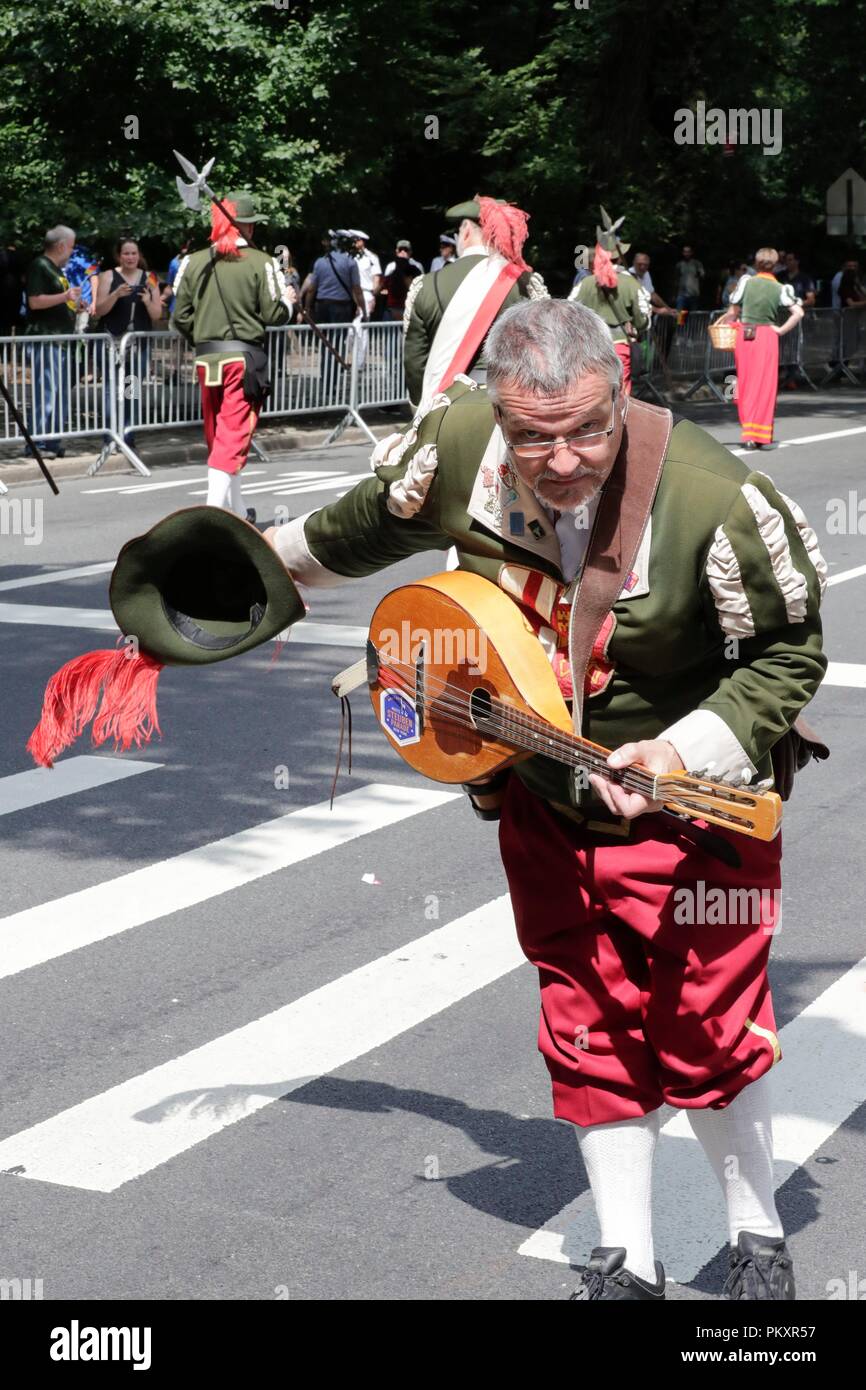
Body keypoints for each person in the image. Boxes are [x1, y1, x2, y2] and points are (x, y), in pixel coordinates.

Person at [29, 299, 829, 1302]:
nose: (565, 456)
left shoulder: (714, 499)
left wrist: (677, 749)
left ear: (621, 395)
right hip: (543, 789)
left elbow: (788, 651)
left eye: (586, 427)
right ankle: (627, 1257)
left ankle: (755, 1235)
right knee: (582, 1015)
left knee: (707, 1025)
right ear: (498, 416)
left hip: (700, 800)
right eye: (534, 436)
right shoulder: (458, 443)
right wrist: (230, 580)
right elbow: (364, 525)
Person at [171, 192, 296, 517]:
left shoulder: (193, 261)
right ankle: (213, 516)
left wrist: (203, 337)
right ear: (247, 228)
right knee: (232, 435)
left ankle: (238, 510)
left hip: (206, 359)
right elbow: (274, 314)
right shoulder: (262, 262)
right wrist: (290, 303)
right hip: (244, 362)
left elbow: (179, 317)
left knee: (220, 435)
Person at [403, 196, 548, 408]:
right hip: (511, 409)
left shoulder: (425, 285)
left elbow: (415, 361)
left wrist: (421, 409)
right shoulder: (526, 283)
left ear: (466, 231)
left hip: (445, 409)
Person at [716, 247, 804, 448]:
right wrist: (780, 330)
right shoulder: (781, 288)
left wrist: (724, 325)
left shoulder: (746, 283)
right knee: (765, 385)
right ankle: (760, 434)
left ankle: (747, 432)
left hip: (745, 334)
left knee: (746, 383)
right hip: (766, 336)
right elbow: (798, 313)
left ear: (756, 263)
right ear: (775, 265)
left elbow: (733, 311)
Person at [93, 237, 162, 448]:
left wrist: (148, 301)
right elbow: (99, 311)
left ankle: (128, 435)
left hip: (137, 344)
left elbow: (157, 314)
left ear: (139, 255)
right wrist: (115, 294)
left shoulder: (149, 278)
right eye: (126, 253)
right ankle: (110, 437)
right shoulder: (107, 276)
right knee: (110, 388)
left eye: (134, 253)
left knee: (131, 388)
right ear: (119, 255)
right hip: (110, 342)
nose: (130, 257)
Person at [572, 208, 647, 394]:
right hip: (619, 344)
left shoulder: (585, 284)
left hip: (591, 348)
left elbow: (569, 311)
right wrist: (636, 328)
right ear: (620, 255)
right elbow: (643, 318)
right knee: (620, 397)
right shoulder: (632, 283)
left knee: (594, 395)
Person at [23, 224, 80, 458]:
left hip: (60, 341)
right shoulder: (40, 266)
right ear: (61, 246)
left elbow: (56, 301)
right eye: (72, 247)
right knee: (46, 392)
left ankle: (52, 440)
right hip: (46, 339)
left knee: (59, 394)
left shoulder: (55, 269)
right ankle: (37, 443)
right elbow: (35, 301)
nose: (72, 252)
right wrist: (65, 296)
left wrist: (73, 303)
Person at [381, 240, 422, 323]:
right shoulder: (391, 266)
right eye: (400, 250)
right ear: (396, 251)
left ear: (410, 252)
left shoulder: (417, 266)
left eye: (406, 250)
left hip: (410, 307)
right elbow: (384, 287)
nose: (403, 252)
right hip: (392, 308)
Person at [350, 230, 382, 320]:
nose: (354, 242)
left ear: (362, 241)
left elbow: (376, 278)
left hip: (365, 293)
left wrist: (373, 296)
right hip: (349, 294)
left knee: (361, 324)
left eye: (356, 240)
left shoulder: (371, 257)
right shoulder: (349, 256)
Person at [674, 244, 704, 310]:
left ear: (691, 253)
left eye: (688, 252)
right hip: (682, 294)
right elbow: (676, 279)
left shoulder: (697, 264)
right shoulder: (679, 265)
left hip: (694, 295)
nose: (687, 253)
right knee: (680, 315)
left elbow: (702, 277)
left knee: (693, 316)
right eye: (685, 252)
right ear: (683, 253)